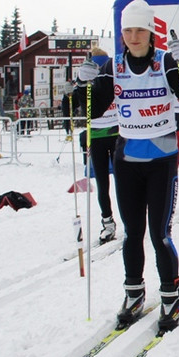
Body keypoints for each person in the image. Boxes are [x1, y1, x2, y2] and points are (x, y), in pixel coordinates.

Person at [77, 0, 179, 331]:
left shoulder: (164, 63)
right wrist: (82, 83)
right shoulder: (114, 67)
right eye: (128, 31)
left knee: (159, 234)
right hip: (127, 159)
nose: (134, 36)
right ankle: (133, 293)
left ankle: (170, 295)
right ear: (122, 34)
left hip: (161, 159)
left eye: (140, 30)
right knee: (132, 233)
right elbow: (91, 108)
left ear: (151, 33)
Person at [70, 47, 120, 243]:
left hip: (116, 133)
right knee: (102, 182)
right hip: (97, 135)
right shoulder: (86, 79)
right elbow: (79, 106)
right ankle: (107, 221)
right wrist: (72, 95)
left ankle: (127, 218)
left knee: (121, 181)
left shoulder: (112, 76)